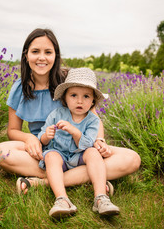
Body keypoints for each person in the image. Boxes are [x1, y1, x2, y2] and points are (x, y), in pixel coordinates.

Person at [0, 28, 140, 207]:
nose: (42, 57)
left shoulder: (68, 80)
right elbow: (13, 130)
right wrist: (29, 137)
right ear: (26, 55)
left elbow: (94, 118)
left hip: (80, 147)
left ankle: (45, 182)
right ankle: (90, 177)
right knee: (0, 152)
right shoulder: (19, 88)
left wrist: (99, 139)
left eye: (48, 52)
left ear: (56, 55)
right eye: (35, 51)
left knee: (132, 159)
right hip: (44, 148)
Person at [38, 67, 119, 217]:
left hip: (80, 156)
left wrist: (74, 131)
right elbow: (42, 138)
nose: (80, 101)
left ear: (93, 100)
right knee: (50, 156)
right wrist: (46, 136)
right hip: (60, 155)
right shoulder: (57, 114)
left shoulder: (93, 120)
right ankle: (62, 200)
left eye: (86, 96)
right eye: (74, 95)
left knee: (93, 152)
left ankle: (101, 198)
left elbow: (88, 143)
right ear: (65, 98)